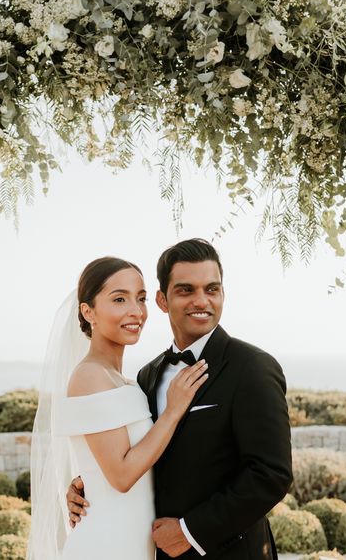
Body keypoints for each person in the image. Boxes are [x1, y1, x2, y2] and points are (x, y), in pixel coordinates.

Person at [67, 239, 293, 559]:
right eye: (186, 290)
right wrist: (90, 483)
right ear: (162, 300)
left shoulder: (252, 367)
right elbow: (144, 452)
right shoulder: (148, 375)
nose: (201, 301)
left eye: (212, 289)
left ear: (223, 294)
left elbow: (271, 474)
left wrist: (190, 531)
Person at [28, 256, 209, 560]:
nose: (135, 311)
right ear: (88, 312)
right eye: (119, 299)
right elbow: (123, 476)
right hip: (106, 544)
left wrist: (86, 480)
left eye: (140, 298)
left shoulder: (127, 382)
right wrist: (173, 411)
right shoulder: (89, 376)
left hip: (130, 541)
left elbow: (123, 459)